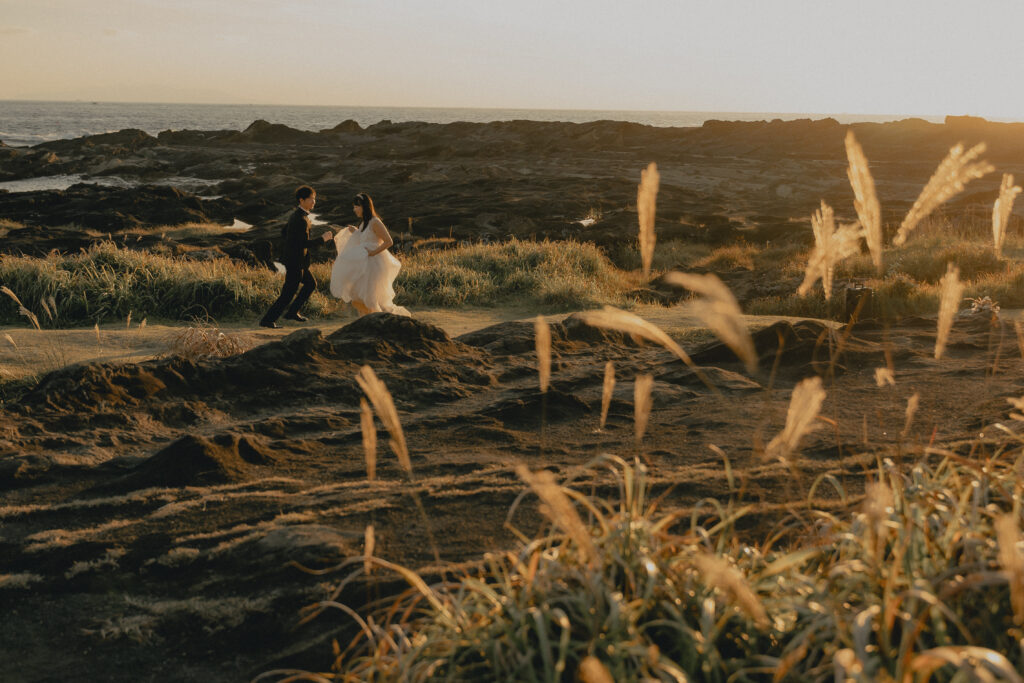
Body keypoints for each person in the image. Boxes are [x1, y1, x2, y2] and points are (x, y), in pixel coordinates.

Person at [259, 185, 333, 329]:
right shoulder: (300, 218)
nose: (314, 202)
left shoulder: (299, 215)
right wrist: (322, 239)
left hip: (298, 261)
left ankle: (292, 312)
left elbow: (284, 232)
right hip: (295, 262)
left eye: (314, 199)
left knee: (310, 284)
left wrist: (289, 245)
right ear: (301, 200)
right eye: (311, 199)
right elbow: (302, 243)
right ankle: (267, 320)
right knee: (288, 293)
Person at [330, 192, 409, 316]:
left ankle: (377, 320)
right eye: (354, 206)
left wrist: (373, 252)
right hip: (364, 264)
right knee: (358, 297)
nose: (354, 209)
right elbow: (365, 238)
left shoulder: (375, 222)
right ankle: (368, 320)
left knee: (370, 298)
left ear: (364, 206)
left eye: (357, 206)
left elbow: (389, 241)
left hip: (375, 264)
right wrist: (356, 232)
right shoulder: (363, 223)